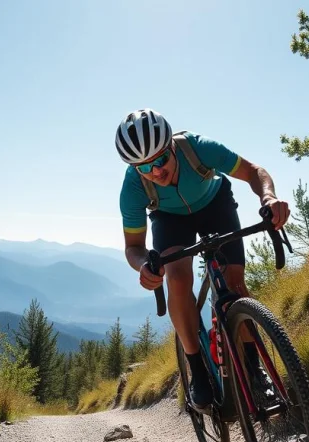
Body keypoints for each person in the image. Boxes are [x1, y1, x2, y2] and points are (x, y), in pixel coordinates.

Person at [115, 108, 289, 413]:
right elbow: (133, 247)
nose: (155, 172)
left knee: (234, 281)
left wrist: (269, 198)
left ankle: (254, 370)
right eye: (144, 167)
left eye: (160, 160)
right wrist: (143, 265)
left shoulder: (197, 147)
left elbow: (253, 172)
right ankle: (197, 370)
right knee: (178, 278)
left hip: (215, 203)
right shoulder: (132, 187)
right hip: (169, 219)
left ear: (171, 147)